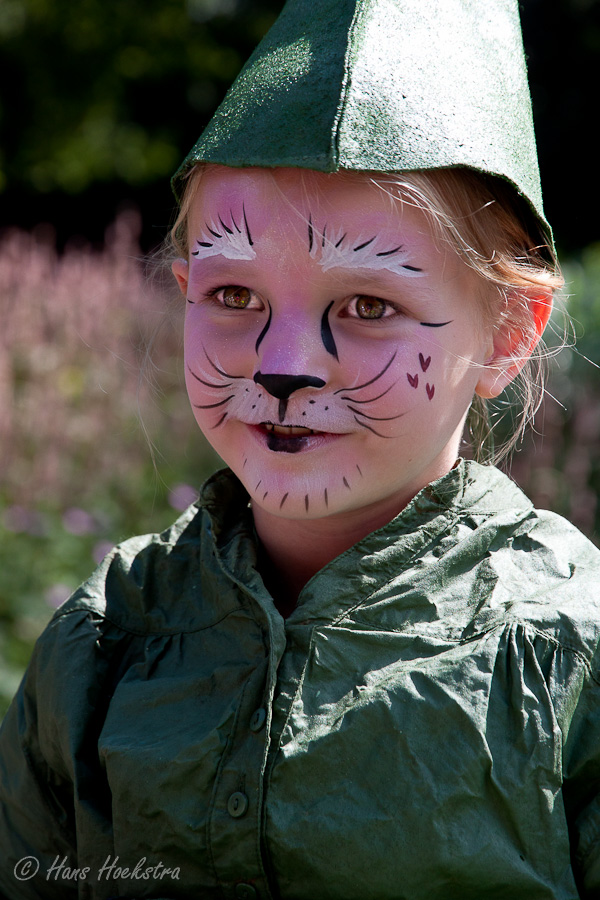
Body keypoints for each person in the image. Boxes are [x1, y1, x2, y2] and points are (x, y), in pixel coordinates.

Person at [1, 1, 599, 898]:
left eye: (368, 307)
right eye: (234, 294)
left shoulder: (570, 654)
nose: (282, 367)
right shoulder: (100, 642)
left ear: (508, 333)